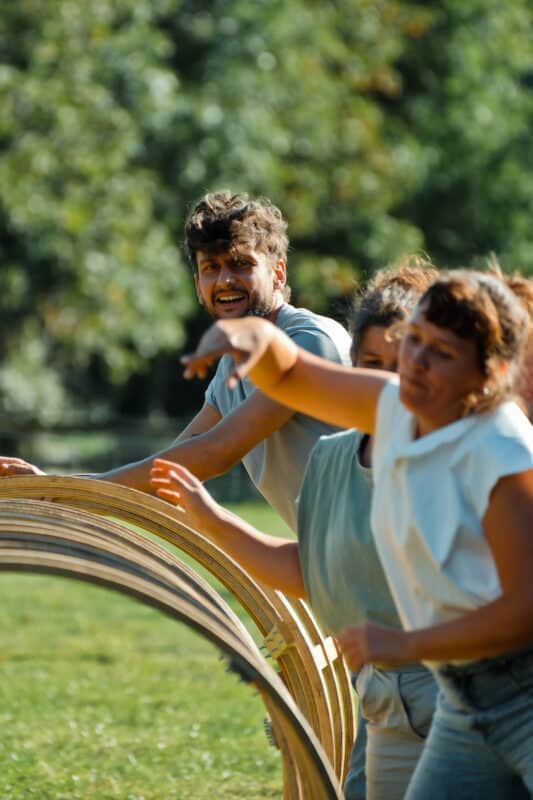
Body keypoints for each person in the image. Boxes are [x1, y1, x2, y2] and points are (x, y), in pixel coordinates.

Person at [167, 270, 533, 797]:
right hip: (463, 699)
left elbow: (523, 612)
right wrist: (241, 335)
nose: (416, 362)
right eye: (415, 340)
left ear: (492, 374)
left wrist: (405, 642)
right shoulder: (399, 406)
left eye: (442, 353)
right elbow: (291, 374)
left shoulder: (502, 449)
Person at [0, 191, 351, 531]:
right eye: (211, 267)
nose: (225, 279)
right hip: (335, 556)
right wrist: (60, 487)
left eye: (241, 263)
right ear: (198, 286)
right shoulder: (230, 370)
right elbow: (172, 469)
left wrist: (66, 492)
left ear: (278, 274)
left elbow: (214, 453)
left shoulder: (310, 340)